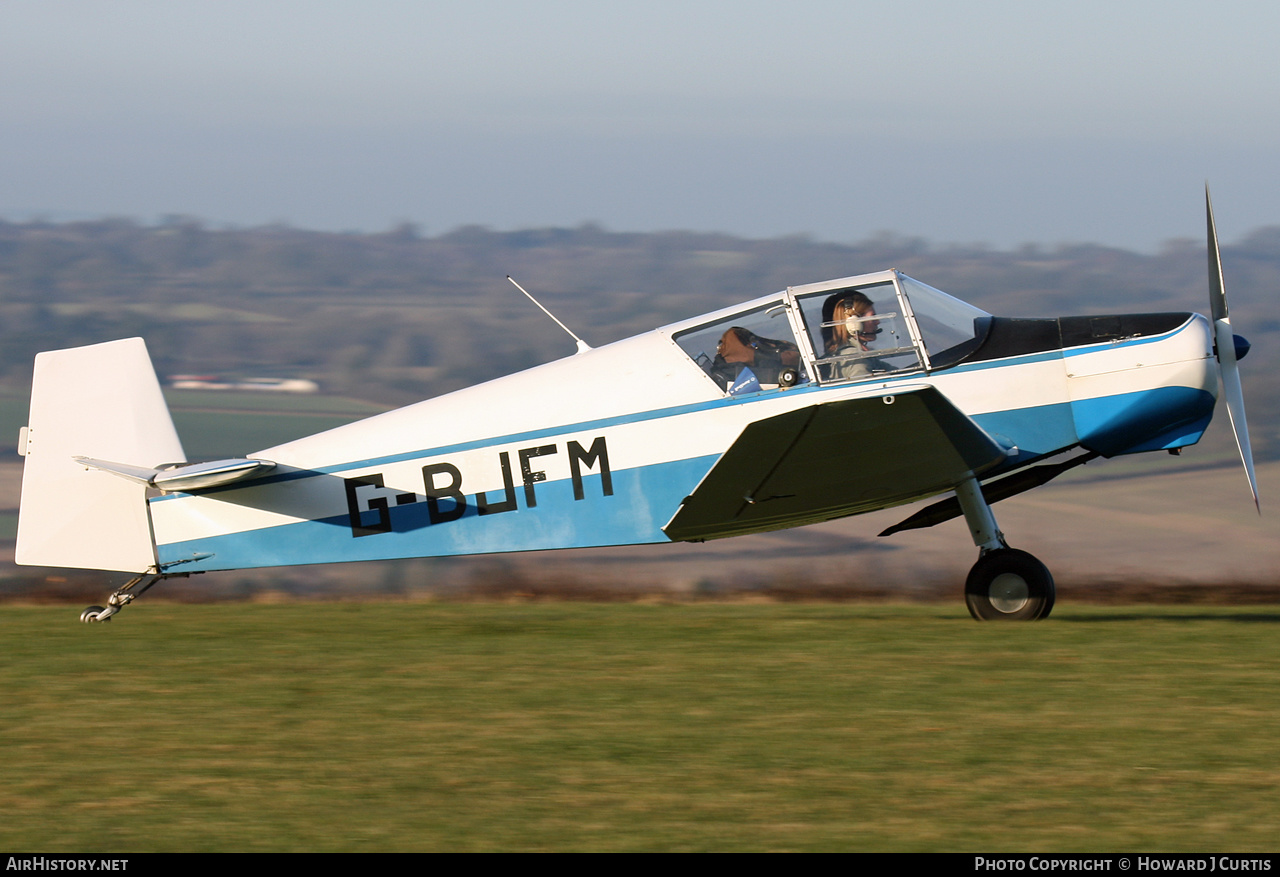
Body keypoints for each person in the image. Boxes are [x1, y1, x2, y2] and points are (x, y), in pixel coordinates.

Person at [821, 291, 879, 380]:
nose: (877, 322)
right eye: (873, 317)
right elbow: (865, 387)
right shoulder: (855, 357)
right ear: (853, 323)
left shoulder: (854, 352)